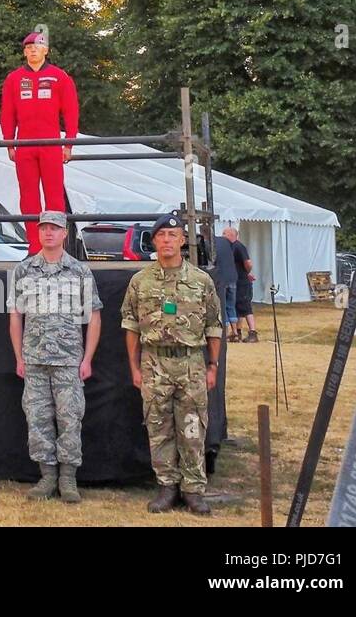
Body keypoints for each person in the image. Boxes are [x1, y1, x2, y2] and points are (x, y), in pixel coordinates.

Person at [120, 212, 222, 515]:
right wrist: (135, 368)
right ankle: (167, 486)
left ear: (182, 241)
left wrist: (213, 365)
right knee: (158, 427)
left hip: (191, 363)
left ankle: (193, 490)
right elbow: (131, 326)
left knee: (192, 429)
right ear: (154, 241)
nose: (167, 240)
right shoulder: (140, 281)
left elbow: (214, 325)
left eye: (172, 235)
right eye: (161, 235)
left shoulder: (201, 281)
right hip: (154, 362)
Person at [9, 211, 101, 503]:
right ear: (37, 233)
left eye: (55, 228)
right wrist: (19, 357)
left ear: (64, 234)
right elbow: (15, 316)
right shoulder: (24, 271)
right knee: (37, 419)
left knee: (70, 419)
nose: (48, 233)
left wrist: (87, 359)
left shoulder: (79, 271)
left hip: (68, 361)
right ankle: (47, 476)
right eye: (44, 228)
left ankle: (68, 479)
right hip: (34, 360)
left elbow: (94, 317)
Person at [0, 31, 79, 252]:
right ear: (24, 52)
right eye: (29, 47)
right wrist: (9, 142)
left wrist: (68, 144)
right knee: (28, 196)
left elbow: (71, 112)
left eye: (38, 46)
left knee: (54, 196)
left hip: (51, 144)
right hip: (24, 144)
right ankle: (35, 247)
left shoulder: (59, 76)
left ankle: (55, 247)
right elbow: (7, 113)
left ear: (46, 50)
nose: (33, 49)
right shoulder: (14, 78)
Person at [226, 225, 257, 342]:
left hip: (243, 282)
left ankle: (253, 333)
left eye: (225, 234)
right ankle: (237, 333)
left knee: (246, 307)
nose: (223, 236)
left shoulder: (239, 246)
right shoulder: (230, 247)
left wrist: (245, 273)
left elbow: (248, 263)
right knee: (238, 307)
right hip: (235, 281)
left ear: (232, 235)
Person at [212, 226, 239, 339]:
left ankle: (226, 332)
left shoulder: (215, 243)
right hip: (232, 278)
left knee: (222, 306)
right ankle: (235, 332)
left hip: (221, 278)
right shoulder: (231, 245)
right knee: (231, 306)